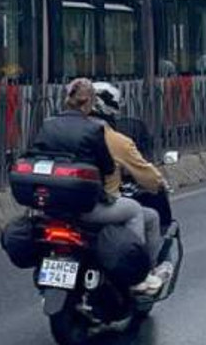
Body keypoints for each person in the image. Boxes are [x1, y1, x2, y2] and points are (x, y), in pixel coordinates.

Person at [33, 78, 165, 295]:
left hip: (55, 206)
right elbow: (106, 167)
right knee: (136, 211)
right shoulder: (101, 135)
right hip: (89, 207)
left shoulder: (50, 125)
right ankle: (137, 275)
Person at [92, 83, 174, 286]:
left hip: (58, 205)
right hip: (94, 205)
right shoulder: (114, 139)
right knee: (140, 213)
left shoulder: (60, 131)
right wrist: (159, 183)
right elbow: (146, 174)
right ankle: (138, 273)